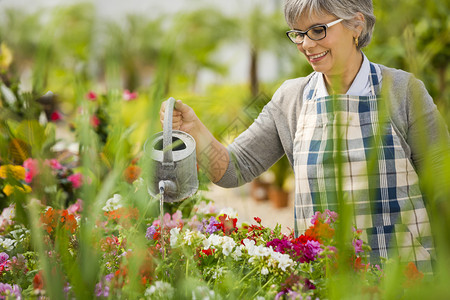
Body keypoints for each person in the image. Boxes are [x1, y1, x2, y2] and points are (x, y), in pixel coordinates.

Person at [160, 0, 450, 274]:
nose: (307, 45)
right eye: (299, 34)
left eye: (318, 30)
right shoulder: (291, 99)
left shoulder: (402, 91)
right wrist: (194, 129)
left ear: (356, 25)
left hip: (406, 277)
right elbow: (234, 168)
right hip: (326, 278)